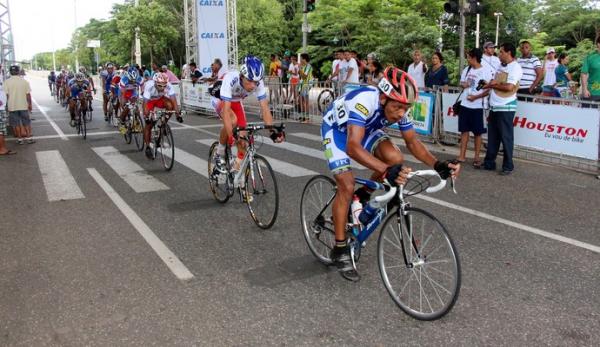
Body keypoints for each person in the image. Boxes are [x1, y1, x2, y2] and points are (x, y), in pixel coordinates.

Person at [321, 66, 461, 281]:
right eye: (396, 107)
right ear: (383, 99)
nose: (400, 114)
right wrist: (385, 170)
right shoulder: (364, 102)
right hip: (337, 131)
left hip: (366, 128)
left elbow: (412, 141)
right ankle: (340, 249)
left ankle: (365, 193)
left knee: (395, 158)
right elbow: (353, 147)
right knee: (346, 186)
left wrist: (437, 164)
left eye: (405, 108)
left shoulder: (399, 108)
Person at [210, 55, 284, 188]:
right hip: (221, 99)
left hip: (236, 101)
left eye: (256, 82)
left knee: (243, 139)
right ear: (242, 76)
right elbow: (226, 112)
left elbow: (265, 108)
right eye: (249, 81)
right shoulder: (231, 78)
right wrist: (232, 138)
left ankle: (236, 171)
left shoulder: (257, 81)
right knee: (233, 121)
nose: (252, 85)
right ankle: (219, 152)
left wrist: (272, 131)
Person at [481, 42, 523, 175]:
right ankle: (489, 163)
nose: (499, 54)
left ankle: (508, 166)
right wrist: (488, 85)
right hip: (494, 106)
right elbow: (496, 83)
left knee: (506, 137)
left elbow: (509, 87)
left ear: (508, 53)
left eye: (501, 52)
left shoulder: (515, 68)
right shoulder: (501, 66)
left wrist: (493, 85)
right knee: (493, 137)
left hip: (506, 106)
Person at [457, 48, 494, 167]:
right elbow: (461, 83)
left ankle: (476, 157)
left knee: (478, 133)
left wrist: (476, 97)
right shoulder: (467, 69)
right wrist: (465, 84)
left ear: (474, 58)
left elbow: (488, 90)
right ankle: (462, 155)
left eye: (468, 57)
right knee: (464, 131)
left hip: (478, 106)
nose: (467, 59)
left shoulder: (485, 71)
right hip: (465, 105)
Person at [142, 72, 182, 159]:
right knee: (149, 124)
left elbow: (174, 100)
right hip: (149, 101)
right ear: (155, 83)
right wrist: (147, 116)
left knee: (170, 106)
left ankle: (163, 124)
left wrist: (178, 114)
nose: (162, 88)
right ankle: (148, 146)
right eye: (160, 85)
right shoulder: (149, 86)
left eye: (164, 85)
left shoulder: (169, 85)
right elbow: (145, 104)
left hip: (160, 99)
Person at [5, 65, 34, 145]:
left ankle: (20, 139)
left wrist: (8, 105)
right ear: (18, 72)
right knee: (26, 122)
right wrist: (30, 104)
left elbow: (7, 95)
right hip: (23, 105)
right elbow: (28, 95)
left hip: (12, 106)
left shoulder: (7, 82)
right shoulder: (24, 82)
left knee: (16, 123)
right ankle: (29, 138)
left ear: (10, 72)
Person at [118, 67, 143, 132]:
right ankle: (122, 122)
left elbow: (142, 89)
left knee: (136, 108)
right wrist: (124, 103)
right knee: (126, 107)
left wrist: (142, 97)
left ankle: (136, 122)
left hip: (133, 91)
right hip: (123, 92)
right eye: (131, 81)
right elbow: (123, 95)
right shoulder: (124, 80)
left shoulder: (140, 79)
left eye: (134, 81)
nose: (133, 82)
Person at [0, 68, 15, 155]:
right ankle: (2, 149)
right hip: (0, 108)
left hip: (2, 107)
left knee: (1, 130)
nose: (1, 68)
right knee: (1, 131)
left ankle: (2, 148)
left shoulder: (1, 77)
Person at [581, 36, 600, 104]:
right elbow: (584, 73)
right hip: (593, 93)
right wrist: (585, 89)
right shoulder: (590, 57)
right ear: (598, 44)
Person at [298, 53, 313, 121]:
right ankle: (302, 115)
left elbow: (304, 76)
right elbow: (301, 76)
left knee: (305, 101)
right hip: (302, 85)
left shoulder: (308, 66)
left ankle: (307, 116)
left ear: (304, 59)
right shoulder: (303, 66)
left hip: (306, 84)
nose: (300, 60)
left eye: (301, 58)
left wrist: (300, 69)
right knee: (301, 100)